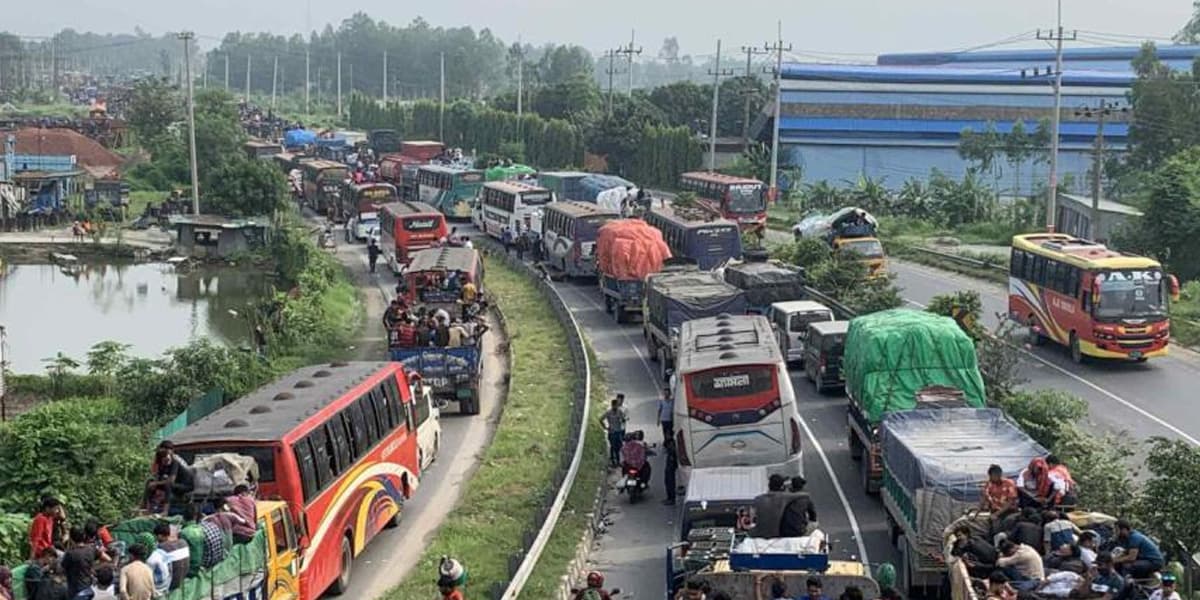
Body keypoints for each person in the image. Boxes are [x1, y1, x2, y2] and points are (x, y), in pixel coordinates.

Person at [145, 441, 195, 516]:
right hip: (175, 484)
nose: (165, 461)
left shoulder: (175, 463)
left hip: (185, 485)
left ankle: (165, 511)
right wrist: (154, 484)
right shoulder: (161, 463)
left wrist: (156, 483)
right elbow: (158, 476)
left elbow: (171, 480)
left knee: (168, 485)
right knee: (149, 482)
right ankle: (146, 507)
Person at [61, 527, 97, 598]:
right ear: (84, 536)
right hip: (88, 588)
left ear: (71, 538)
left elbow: (62, 568)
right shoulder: (91, 550)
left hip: (75, 590)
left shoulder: (70, 553)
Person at [154, 522, 189, 591]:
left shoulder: (161, 548)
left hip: (171, 584)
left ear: (159, 536)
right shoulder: (183, 542)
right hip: (182, 579)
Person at [601, 397, 628, 468]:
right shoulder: (608, 412)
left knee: (619, 447)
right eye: (614, 405)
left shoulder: (620, 411)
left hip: (618, 432)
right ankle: (613, 461)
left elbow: (623, 419)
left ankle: (618, 461)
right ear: (612, 405)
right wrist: (605, 427)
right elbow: (601, 419)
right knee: (613, 447)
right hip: (612, 432)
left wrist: (623, 420)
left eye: (616, 405)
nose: (615, 407)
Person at [662, 438, 679, 506]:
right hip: (670, 464)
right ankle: (670, 498)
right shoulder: (671, 452)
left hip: (671, 465)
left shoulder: (672, 453)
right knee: (668, 480)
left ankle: (671, 499)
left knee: (670, 481)